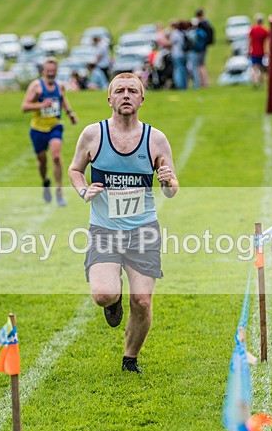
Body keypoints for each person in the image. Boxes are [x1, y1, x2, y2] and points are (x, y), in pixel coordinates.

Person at [68, 73, 179, 374]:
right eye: (120, 91)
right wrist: (83, 190)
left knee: (142, 301)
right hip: (104, 230)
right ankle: (112, 298)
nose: (126, 95)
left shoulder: (155, 139)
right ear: (110, 99)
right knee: (103, 294)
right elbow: (75, 169)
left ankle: (130, 359)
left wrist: (168, 181)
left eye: (133, 90)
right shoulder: (93, 135)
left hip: (143, 231)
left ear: (142, 99)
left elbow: (171, 188)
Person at [22, 58, 78, 207]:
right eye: (48, 71)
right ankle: (45, 181)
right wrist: (41, 105)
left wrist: (70, 113)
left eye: (53, 71)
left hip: (55, 126)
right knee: (42, 162)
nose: (51, 74)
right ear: (43, 71)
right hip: (38, 129)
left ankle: (59, 192)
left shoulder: (60, 86)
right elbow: (24, 106)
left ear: (56, 71)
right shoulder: (36, 86)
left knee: (56, 156)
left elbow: (62, 99)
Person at [248, 13, 268, 86]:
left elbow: (250, 40)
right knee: (261, 67)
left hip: (254, 51)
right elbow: (267, 42)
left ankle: (255, 80)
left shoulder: (253, 29)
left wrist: (248, 49)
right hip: (262, 51)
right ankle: (261, 81)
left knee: (255, 67)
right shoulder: (265, 31)